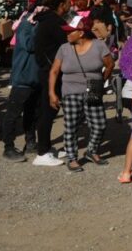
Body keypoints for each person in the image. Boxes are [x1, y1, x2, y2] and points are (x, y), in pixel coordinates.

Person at [48, 17, 113, 172]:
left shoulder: (99, 46)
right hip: (70, 92)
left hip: (92, 92)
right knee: (71, 126)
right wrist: (52, 93)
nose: (67, 34)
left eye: (71, 32)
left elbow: (109, 65)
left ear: (81, 33)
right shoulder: (64, 48)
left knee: (100, 125)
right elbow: (54, 71)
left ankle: (92, 150)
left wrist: (100, 82)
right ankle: (72, 158)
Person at [1, 0, 45, 162]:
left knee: (32, 112)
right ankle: (8, 147)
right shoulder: (27, 24)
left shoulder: (36, 24)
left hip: (36, 76)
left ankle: (30, 142)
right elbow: (30, 46)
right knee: (13, 113)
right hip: (23, 76)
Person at [32, 0, 72, 167]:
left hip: (48, 70)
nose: (71, 5)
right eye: (69, 2)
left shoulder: (47, 20)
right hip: (51, 71)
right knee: (49, 110)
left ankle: (46, 146)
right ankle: (42, 151)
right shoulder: (54, 22)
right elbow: (66, 43)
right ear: (62, 5)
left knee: (49, 110)